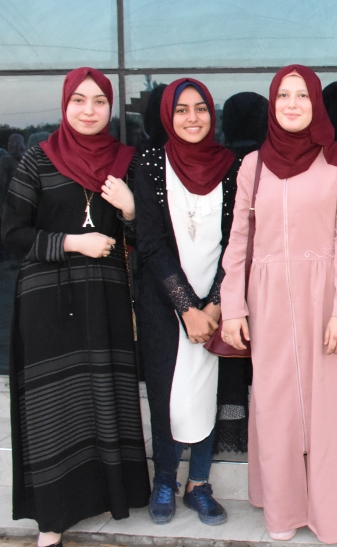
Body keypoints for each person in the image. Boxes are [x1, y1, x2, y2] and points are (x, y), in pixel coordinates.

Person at [219, 65, 337, 543]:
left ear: (316, 104)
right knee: (276, 406)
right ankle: (283, 512)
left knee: (333, 410)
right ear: (272, 103)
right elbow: (238, 240)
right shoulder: (252, 165)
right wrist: (232, 306)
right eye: (283, 95)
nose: (291, 104)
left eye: (302, 95)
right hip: (267, 302)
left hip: (326, 299)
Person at [1, 67, 150, 547]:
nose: (89, 111)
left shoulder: (125, 161)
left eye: (99, 101)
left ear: (111, 107)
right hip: (48, 301)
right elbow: (12, 233)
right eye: (79, 101)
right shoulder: (38, 159)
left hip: (104, 299)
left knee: (102, 398)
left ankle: (107, 495)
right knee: (54, 406)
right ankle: (52, 520)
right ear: (65, 105)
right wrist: (71, 242)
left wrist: (130, 208)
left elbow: (145, 237)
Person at [134, 78, 241, 526]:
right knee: (167, 394)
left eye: (200, 109)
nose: (192, 118)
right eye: (182, 110)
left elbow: (238, 240)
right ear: (168, 116)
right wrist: (186, 308)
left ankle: (199, 484)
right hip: (166, 302)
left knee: (208, 392)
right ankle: (164, 479)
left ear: (211, 115)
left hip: (216, 302)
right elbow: (150, 242)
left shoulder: (231, 166)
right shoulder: (149, 163)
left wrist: (213, 307)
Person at [214, 90, 268, 455]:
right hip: (264, 272)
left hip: (222, 270)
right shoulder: (269, 163)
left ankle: (232, 432)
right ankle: (267, 435)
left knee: (231, 360)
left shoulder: (220, 163)